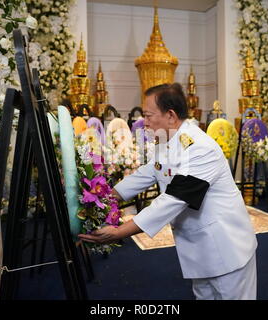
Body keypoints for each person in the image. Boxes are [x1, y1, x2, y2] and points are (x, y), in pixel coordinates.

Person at [79, 83, 258, 300]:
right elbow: (146, 174)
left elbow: (174, 199)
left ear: (171, 116)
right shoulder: (167, 141)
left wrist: (119, 232)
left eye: (148, 115)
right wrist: (100, 196)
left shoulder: (201, 148)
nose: (143, 122)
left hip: (225, 248)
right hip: (199, 250)